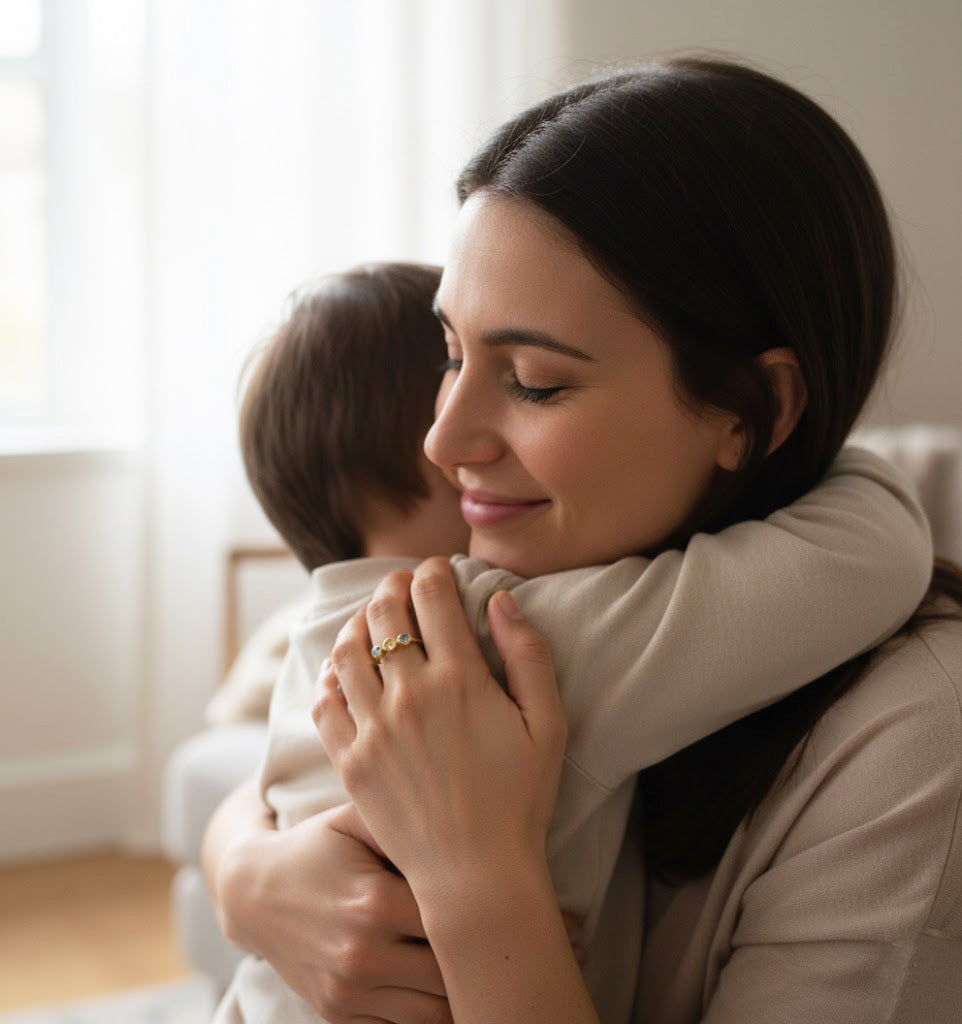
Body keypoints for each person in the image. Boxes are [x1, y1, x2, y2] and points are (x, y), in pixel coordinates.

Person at [211, 58, 962, 1023]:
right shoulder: (490, 617)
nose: (441, 440)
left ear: (758, 408)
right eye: (449, 354)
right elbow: (867, 554)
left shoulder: (916, 742)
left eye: (533, 379)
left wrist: (474, 883)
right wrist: (248, 876)